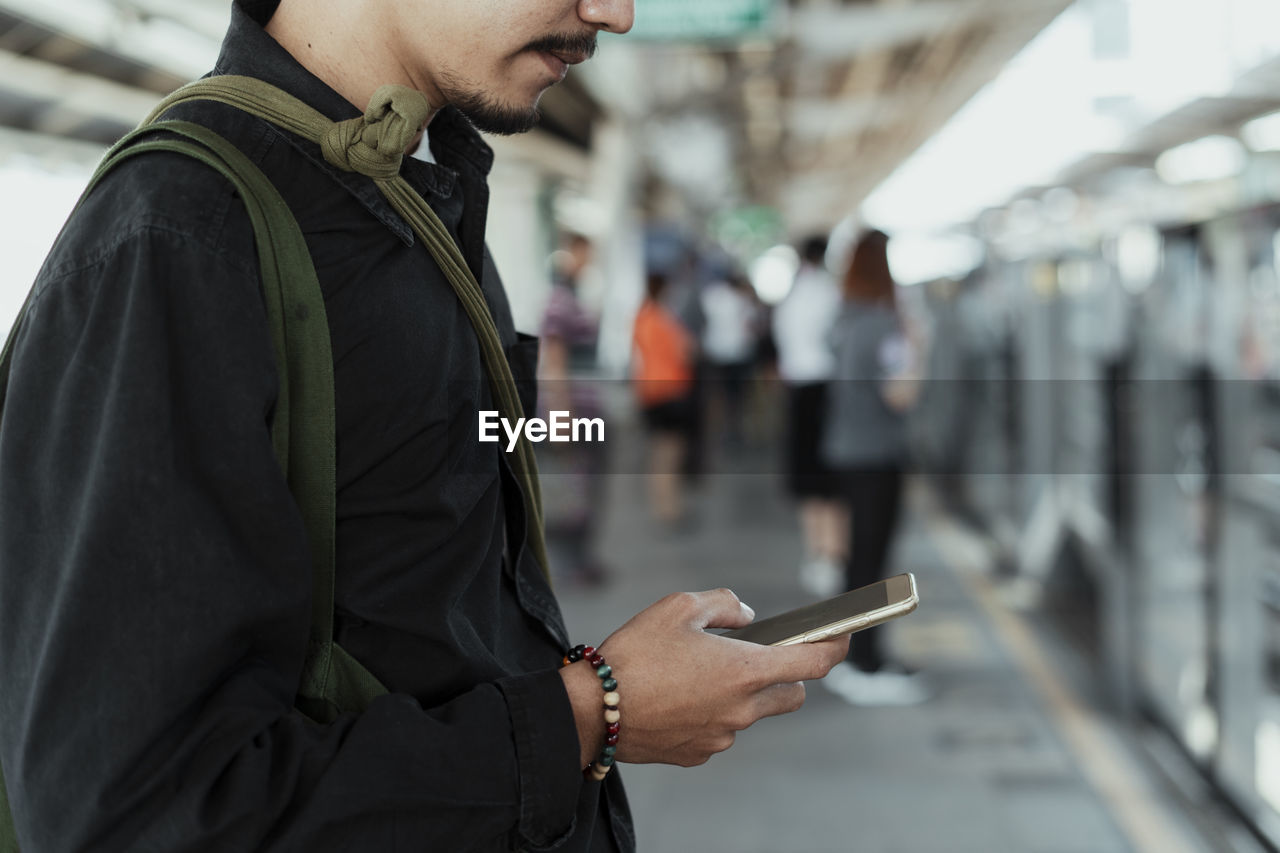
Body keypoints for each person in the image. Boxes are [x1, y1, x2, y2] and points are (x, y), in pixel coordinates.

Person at [0, 1, 851, 850]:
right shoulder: (184, 237)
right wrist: (594, 711)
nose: (614, 13)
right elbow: (134, 815)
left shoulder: (421, 203)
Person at [819, 230, 929, 707]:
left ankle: (859, 656)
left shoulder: (844, 318)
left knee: (858, 558)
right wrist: (920, 349)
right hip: (876, 454)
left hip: (845, 448)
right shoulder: (883, 324)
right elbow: (899, 394)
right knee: (871, 561)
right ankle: (863, 662)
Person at [772, 235, 846, 596]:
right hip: (829, 389)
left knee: (808, 478)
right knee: (830, 477)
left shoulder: (794, 293)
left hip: (800, 390)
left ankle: (817, 553)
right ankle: (833, 554)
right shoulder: (830, 291)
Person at [539, 233, 609, 585]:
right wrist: (560, 415)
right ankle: (568, 563)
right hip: (573, 409)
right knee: (572, 485)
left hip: (585, 405)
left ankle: (579, 558)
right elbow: (554, 358)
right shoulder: (560, 301)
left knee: (584, 484)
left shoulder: (573, 296)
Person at [631, 270, 696, 526]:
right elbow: (685, 351)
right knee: (671, 453)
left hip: (649, 390)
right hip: (671, 390)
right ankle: (670, 508)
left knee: (657, 452)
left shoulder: (641, 316)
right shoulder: (664, 319)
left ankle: (660, 505)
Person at [699, 271, 761, 450]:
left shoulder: (713, 297)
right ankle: (733, 431)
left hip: (716, 354)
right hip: (737, 355)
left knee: (719, 396)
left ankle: (718, 432)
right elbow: (751, 327)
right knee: (737, 398)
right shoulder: (742, 300)